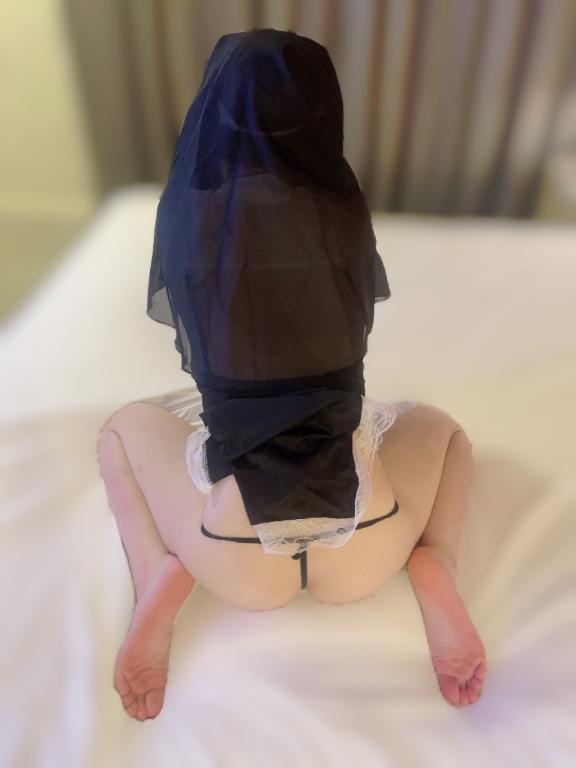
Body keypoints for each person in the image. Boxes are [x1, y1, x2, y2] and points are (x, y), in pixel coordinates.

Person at [96, 28, 486, 722]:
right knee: (443, 430)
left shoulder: (191, 213)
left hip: (234, 548)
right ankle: (439, 564)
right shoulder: (339, 209)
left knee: (119, 431)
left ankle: (158, 571)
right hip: (367, 536)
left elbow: (191, 339)